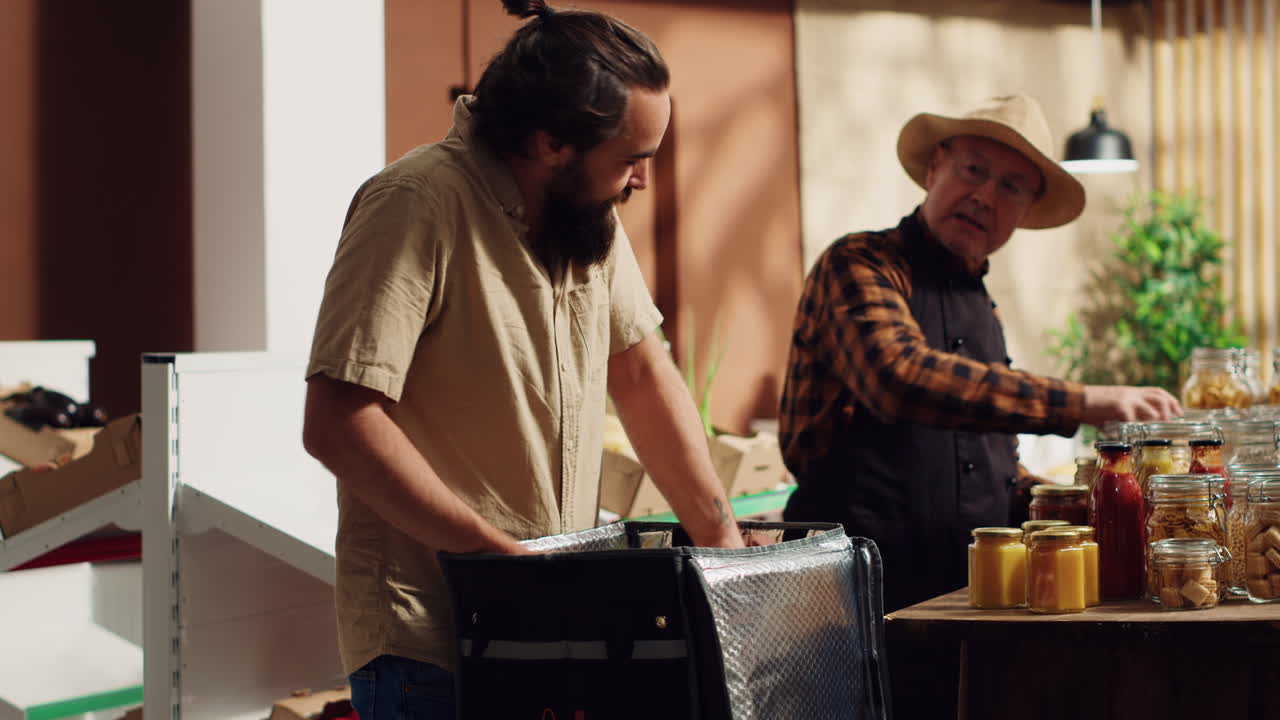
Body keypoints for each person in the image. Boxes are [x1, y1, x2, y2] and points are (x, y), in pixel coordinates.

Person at [301, 2, 744, 717]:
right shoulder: (416, 204)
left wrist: (721, 541)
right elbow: (339, 422)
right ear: (549, 144)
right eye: (631, 160)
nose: (641, 182)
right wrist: (500, 561)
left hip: (549, 633)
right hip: (435, 651)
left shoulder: (585, 217)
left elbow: (640, 370)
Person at [777, 93, 1182, 615]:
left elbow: (989, 470)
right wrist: (1086, 401)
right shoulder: (861, 263)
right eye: (974, 170)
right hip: (845, 591)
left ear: (1024, 211)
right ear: (934, 168)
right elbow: (898, 378)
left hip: (962, 595)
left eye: (1011, 186)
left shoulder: (982, 307)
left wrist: (1090, 499)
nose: (986, 196)